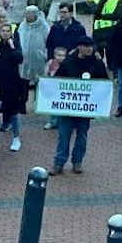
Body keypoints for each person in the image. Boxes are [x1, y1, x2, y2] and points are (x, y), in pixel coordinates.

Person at [49, 39, 109, 174]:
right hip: (68, 108)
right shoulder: (69, 61)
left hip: (85, 109)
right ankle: (59, 163)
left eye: (91, 47)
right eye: (86, 47)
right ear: (79, 47)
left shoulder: (97, 63)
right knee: (64, 135)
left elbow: (104, 83)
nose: (89, 49)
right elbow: (58, 81)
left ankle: (77, 162)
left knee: (82, 136)